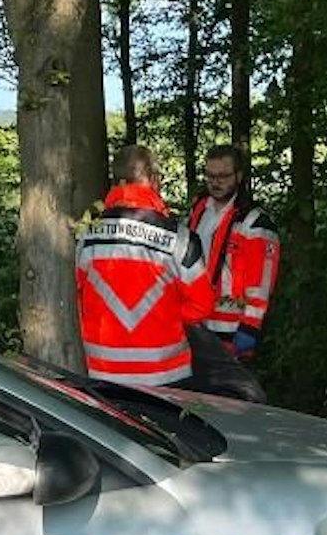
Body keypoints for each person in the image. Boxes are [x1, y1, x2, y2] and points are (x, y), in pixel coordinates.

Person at [75, 145, 215, 389]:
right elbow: (202, 306)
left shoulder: (88, 235)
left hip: (103, 371)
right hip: (166, 373)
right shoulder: (179, 238)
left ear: (116, 182)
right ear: (154, 179)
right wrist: (164, 316)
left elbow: (79, 295)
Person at [188, 145, 282, 370]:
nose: (215, 182)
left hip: (232, 331)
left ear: (239, 176)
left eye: (223, 176)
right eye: (210, 175)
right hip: (196, 325)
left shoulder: (254, 222)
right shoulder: (198, 211)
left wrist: (250, 327)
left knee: (229, 401)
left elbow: (261, 283)